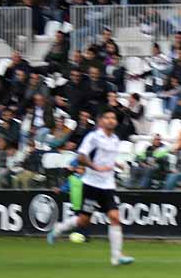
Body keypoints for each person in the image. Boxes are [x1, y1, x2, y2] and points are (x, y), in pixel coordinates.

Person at [45, 108, 135, 266]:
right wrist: (95, 167)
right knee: (83, 221)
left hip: (108, 185)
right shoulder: (93, 137)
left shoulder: (115, 139)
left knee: (115, 217)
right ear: (101, 121)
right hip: (92, 184)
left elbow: (107, 158)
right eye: (107, 117)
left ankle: (116, 257)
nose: (111, 120)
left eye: (113, 118)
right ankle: (59, 228)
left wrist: (115, 164)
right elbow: (81, 157)